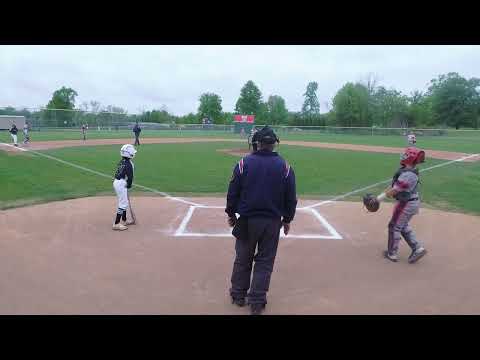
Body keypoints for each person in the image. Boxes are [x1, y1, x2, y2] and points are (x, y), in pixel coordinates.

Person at [225, 126, 297, 315]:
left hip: (247, 221)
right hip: (271, 223)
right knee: (265, 262)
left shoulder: (243, 163)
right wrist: (287, 219)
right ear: (274, 144)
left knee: (243, 259)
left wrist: (231, 214)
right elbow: (291, 198)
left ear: (256, 143)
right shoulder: (285, 167)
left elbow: (233, 193)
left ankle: (238, 295)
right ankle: (257, 302)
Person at [374, 147, 428, 264]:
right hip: (409, 202)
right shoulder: (405, 171)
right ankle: (418, 248)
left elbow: (395, 190)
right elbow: (392, 187)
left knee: (394, 226)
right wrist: (379, 196)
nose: (403, 155)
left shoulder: (409, 175)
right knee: (402, 226)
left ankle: (392, 253)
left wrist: (378, 199)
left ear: (410, 158)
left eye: (406, 154)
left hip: (406, 204)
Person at [112, 144, 137, 231]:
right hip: (121, 183)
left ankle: (124, 220)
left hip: (117, 182)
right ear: (129, 154)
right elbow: (130, 177)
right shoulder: (130, 164)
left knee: (124, 202)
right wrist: (129, 185)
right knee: (123, 204)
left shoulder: (121, 161)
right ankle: (116, 223)